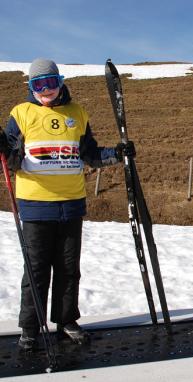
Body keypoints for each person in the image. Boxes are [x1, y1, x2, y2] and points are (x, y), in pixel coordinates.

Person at [0, 58, 133, 351]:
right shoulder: (21, 114)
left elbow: (90, 154)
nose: (46, 90)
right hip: (36, 204)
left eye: (51, 83)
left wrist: (117, 153)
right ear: (31, 87)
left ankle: (66, 320)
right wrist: (3, 146)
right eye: (38, 85)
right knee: (36, 270)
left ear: (60, 82)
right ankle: (30, 328)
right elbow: (10, 160)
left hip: (71, 204)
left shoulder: (78, 113)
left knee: (69, 268)